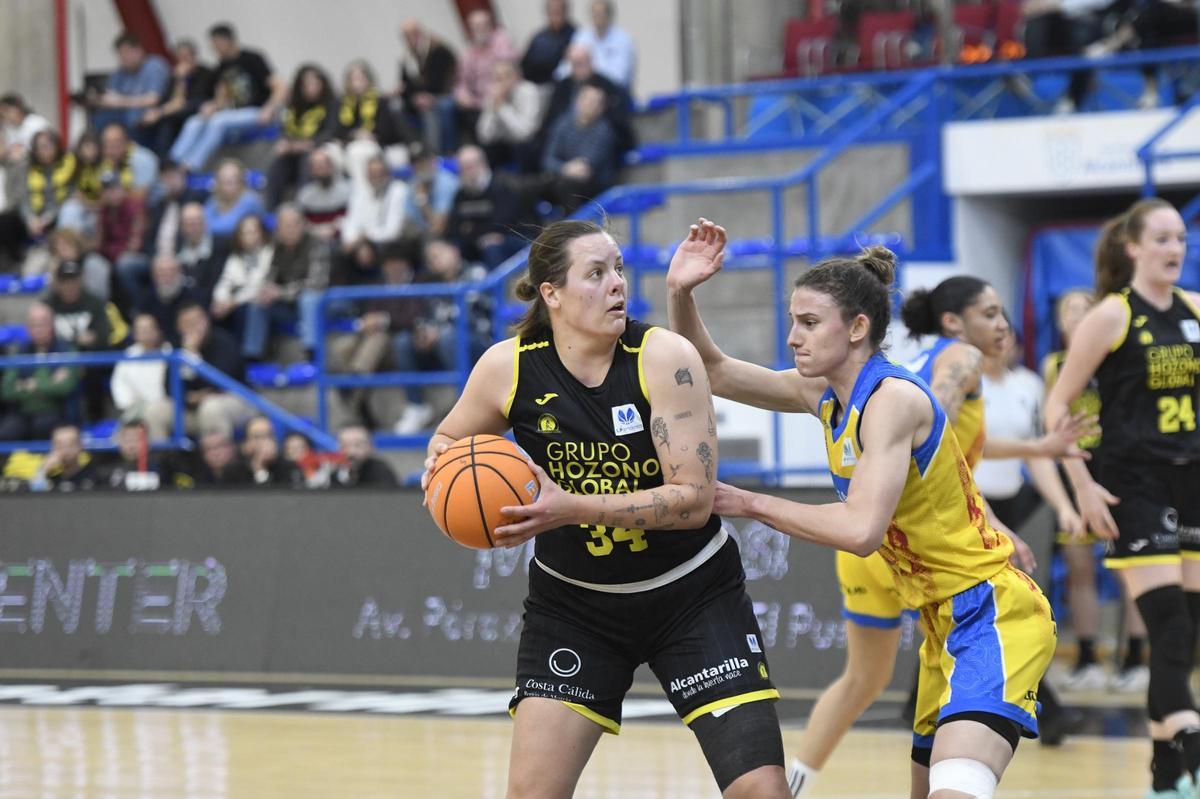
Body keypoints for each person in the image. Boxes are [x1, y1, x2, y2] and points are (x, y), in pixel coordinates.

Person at [665, 219, 1056, 799]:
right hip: (939, 624)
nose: (793, 337)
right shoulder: (822, 393)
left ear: (857, 328)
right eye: (794, 321)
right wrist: (681, 292)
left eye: (808, 323)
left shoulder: (891, 400)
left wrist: (746, 500)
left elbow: (861, 530)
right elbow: (714, 370)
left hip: (991, 611)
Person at [420, 219, 791, 798]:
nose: (617, 283)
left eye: (618, 269)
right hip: (575, 607)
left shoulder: (665, 357)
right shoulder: (507, 367)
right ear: (552, 293)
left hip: (692, 596)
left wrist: (570, 507)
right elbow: (449, 444)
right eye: (596, 273)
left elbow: (693, 501)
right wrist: (442, 474)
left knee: (760, 792)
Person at [1045, 197, 1200, 798]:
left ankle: (1165, 773)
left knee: (1185, 630)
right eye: (1162, 238)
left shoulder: (1192, 310)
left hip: (1192, 481)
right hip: (1134, 481)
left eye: (1181, 238)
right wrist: (1081, 485)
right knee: (1166, 624)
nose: (1174, 249)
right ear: (1133, 247)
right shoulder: (1112, 316)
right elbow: (1057, 407)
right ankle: (1188, 748)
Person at [1043, 288, 1150, 692]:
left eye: (1084, 310)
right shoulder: (1054, 365)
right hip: (1076, 470)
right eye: (1069, 310)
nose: (1076, 317)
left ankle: (1135, 658)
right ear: (1059, 322)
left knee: (1132, 569)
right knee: (1079, 568)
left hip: (1119, 468)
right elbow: (1050, 419)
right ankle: (1087, 656)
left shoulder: (1116, 360)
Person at [169, 23, 287, 172]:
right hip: (233, 113)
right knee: (195, 121)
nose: (214, 49)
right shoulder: (221, 67)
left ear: (227, 40)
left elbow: (280, 87)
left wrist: (269, 108)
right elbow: (221, 97)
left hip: (256, 111)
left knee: (218, 122)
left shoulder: (252, 58)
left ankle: (190, 166)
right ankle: (172, 163)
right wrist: (212, 106)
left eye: (215, 44)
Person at [248, 204, 329, 359]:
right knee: (258, 302)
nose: (291, 229)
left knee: (309, 298)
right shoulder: (275, 247)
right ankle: (253, 356)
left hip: (325, 301)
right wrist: (266, 290)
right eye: (286, 225)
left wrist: (281, 293)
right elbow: (268, 275)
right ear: (278, 229)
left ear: (304, 225)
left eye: (295, 224)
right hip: (290, 303)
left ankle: (311, 352)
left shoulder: (317, 244)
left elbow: (317, 284)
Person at [329, 60, 414, 197]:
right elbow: (335, 129)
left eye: (360, 78)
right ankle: (338, 198)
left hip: (375, 144)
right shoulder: (341, 103)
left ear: (369, 79)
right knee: (330, 152)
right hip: (348, 144)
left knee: (357, 152)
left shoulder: (381, 100)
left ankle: (364, 196)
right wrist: (354, 134)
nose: (357, 83)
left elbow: (389, 129)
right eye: (352, 79)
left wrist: (370, 135)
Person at [0, 303, 80, 441]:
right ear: (27, 328)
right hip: (22, 412)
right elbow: (7, 390)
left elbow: (65, 387)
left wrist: (28, 384)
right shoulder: (19, 352)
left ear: (52, 326)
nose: (38, 329)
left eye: (42, 324)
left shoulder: (67, 350)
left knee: (42, 426)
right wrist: (49, 382)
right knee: (6, 433)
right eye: (33, 325)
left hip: (57, 411)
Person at [445, 9, 517, 153]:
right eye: (475, 28)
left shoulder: (501, 41)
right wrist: (462, 94)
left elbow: (507, 72)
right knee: (455, 107)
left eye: (483, 26)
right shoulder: (470, 52)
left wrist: (494, 90)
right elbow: (462, 81)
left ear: (490, 25)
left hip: (500, 94)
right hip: (477, 101)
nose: (479, 31)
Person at [176, 301, 250, 437]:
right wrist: (189, 352)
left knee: (211, 407)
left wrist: (193, 356)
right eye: (188, 323)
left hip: (235, 400)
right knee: (157, 411)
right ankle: (161, 457)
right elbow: (169, 387)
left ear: (206, 320)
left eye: (197, 321)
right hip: (192, 406)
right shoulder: (177, 348)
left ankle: (220, 457)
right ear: (180, 327)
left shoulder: (224, 342)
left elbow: (222, 380)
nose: (195, 327)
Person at [266, 64, 337, 207]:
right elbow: (287, 131)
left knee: (307, 161)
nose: (312, 87)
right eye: (307, 84)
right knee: (277, 165)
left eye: (315, 83)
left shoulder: (331, 103)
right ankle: (271, 210)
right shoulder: (293, 107)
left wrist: (307, 145)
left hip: (318, 150)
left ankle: (300, 210)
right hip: (294, 152)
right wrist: (286, 144)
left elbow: (331, 132)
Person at [540, 83, 618, 213]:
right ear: (577, 101)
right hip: (561, 177)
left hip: (593, 184)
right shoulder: (562, 124)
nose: (590, 105)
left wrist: (562, 169)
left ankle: (574, 230)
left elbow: (586, 167)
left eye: (596, 102)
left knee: (567, 185)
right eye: (587, 100)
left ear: (602, 108)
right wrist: (563, 168)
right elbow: (547, 159)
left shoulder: (604, 131)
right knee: (529, 187)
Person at [447, 145, 524, 269]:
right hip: (475, 244)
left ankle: (500, 288)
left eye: (470, 167)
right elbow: (456, 228)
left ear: (482, 163)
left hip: (510, 239)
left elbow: (503, 224)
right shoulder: (460, 195)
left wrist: (472, 230)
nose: (467, 172)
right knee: (453, 250)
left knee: (492, 247)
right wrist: (479, 235)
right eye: (463, 168)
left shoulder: (502, 186)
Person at [137, 39, 216, 159]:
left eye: (186, 56)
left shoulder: (205, 73)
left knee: (166, 123)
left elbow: (187, 102)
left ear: (194, 56)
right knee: (142, 123)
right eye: (180, 57)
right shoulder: (174, 76)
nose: (183, 60)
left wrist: (181, 80)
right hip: (173, 112)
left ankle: (167, 161)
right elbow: (168, 100)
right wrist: (156, 112)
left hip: (195, 111)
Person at [87, 32, 171, 141]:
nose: (124, 58)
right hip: (123, 116)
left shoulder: (154, 66)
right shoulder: (120, 72)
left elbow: (152, 99)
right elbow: (110, 96)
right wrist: (97, 99)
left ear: (139, 50)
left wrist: (120, 101)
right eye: (120, 54)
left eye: (127, 53)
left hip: (145, 119)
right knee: (100, 118)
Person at [211, 214, 274, 356]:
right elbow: (225, 281)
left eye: (253, 231)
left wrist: (233, 302)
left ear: (262, 233)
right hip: (235, 302)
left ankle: (249, 356)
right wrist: (220, 299)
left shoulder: (270, 253)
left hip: (259, 303)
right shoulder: (235, 257)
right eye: (245, 232)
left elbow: (259, 285)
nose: (250, 236)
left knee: (246, 310)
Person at [111, 312, 175, 441]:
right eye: (141, 330)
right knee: (123, 433)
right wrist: (130, 404)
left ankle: (160, 458)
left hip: (166, 407)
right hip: (136, 408)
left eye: (150, 329)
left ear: (158, 330)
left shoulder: (171, 352)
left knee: (156, 413)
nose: (146, 333)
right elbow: (119, 385)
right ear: (135, 334)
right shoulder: (129, 355)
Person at [398, 19, 459, 153]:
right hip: (421, 99)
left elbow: (447, 79)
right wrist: (413, 97)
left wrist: (430, 96)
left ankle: (443, 152)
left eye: (413, 34)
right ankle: (415, 149)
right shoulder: (407, 59)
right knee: (397, 107)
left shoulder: (439, 50)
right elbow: (406, 85)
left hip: (444, 94)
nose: (410, 38)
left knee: (439, 107)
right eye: (406, 36)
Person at [476, 59, 542, 171]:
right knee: (484, 150)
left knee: (524, 148)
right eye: (496, 78)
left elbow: (525, 133)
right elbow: (484, 135)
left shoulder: (529, 91)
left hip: (524, 145)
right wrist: (493, 109)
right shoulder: (493, 94)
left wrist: (502, 108)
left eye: (505, 76)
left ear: (517, 77)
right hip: (501, 144)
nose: (500, 82)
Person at [340, 155, 407, 254]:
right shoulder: (361, 192)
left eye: (380, 173)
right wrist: (350, 240)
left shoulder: (399, 190)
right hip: (359, 244)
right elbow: (351, 222)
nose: (376, 177)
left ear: (388, 173)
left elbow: (393, 232)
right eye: (372, 174)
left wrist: (365, 238)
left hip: (388, 244)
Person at [564, 0, 637, 90]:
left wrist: (588, 72)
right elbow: (566, 67)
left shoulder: (623, 40)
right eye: (595, 14)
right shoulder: (582, 36)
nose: (598, 17)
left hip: (614, 93)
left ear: (609, 15)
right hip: (583, 91)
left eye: (601, 14)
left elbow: (619, 76)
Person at [402, 142, 458, 241]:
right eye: (416, 163)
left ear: (434, 160)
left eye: (424, 161)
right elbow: (407, 221)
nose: (420, 166)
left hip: (448, 237)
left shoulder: (447, 182)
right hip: (421, 237)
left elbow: (439, 227)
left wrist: (422, 200)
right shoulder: (413, 183)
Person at [174, 201, 227, 304]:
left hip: (210, 302)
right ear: (181, 227)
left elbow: (217, 282)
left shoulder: (221, 246)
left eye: (197, 222)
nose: (193, 228)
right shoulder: (176, 248)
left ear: (205, 224)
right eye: (188, 223)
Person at [203, 159, 266, 243]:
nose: (229, 183)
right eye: (224, 179)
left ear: (241, 181)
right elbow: (203, 223)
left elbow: (228, 227)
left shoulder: (250, 201)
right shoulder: (212, 201)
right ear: (217, 182)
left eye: (233, 179)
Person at [295, 148, 351, 241]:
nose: (321, 168)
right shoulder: (305, 195)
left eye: (323, 163)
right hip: (313, 242)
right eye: (316, 165)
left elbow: (356, 218)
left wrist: (341, 225)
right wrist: (317, 231)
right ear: (311, 170)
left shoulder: (347, 190)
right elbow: (300, 223)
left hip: (343, 239)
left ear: (331, 166)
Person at [29, 424, 101, 492]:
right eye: (60, 445)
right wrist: (43, 470)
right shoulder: (51, 480)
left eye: (70, 444)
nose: (65, 450)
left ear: (81, 445)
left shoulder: (94, 476)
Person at [522, 0, 578, 85]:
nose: (555, 14)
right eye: (552, 11)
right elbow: (525, 63)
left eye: (559, 11)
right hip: (534, 83)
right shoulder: (539, 37)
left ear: (565, 12)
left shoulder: (576, 35)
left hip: (560, 84)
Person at [332, 424, 398, 487]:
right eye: (345, 445)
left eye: (359, 445)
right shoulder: (331, 473)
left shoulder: (381, 472)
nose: (352, 452)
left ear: (371, 447)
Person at [0, 93, 51, 161]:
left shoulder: (36, 123)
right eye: (2, 113)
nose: (5, 115)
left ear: (18, 107)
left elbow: (48, 150)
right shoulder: (8, 128)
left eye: (7, 110)